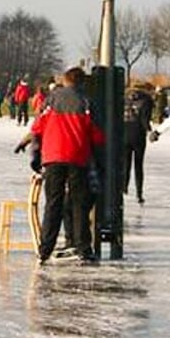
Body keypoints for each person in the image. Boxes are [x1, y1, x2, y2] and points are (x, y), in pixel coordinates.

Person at [30, 67, 104, 264]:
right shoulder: (86, 102)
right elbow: (96, 135)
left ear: (64, 81)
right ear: (81, 83)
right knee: (79, 203)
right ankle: (83, 248)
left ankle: (45, 249)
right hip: (78, 157)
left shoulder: (52, 100)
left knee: (53, 202)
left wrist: (36, 156)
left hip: (53, 157)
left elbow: (38, 127)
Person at [124, 83, 155, 204]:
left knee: (125, 164)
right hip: (138, 135)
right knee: (138, 165)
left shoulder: (124, 98)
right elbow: (144, 119)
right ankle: (139, 193)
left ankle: (124, 187)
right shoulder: (146, 100)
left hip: (124, 133)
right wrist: (150, 131)